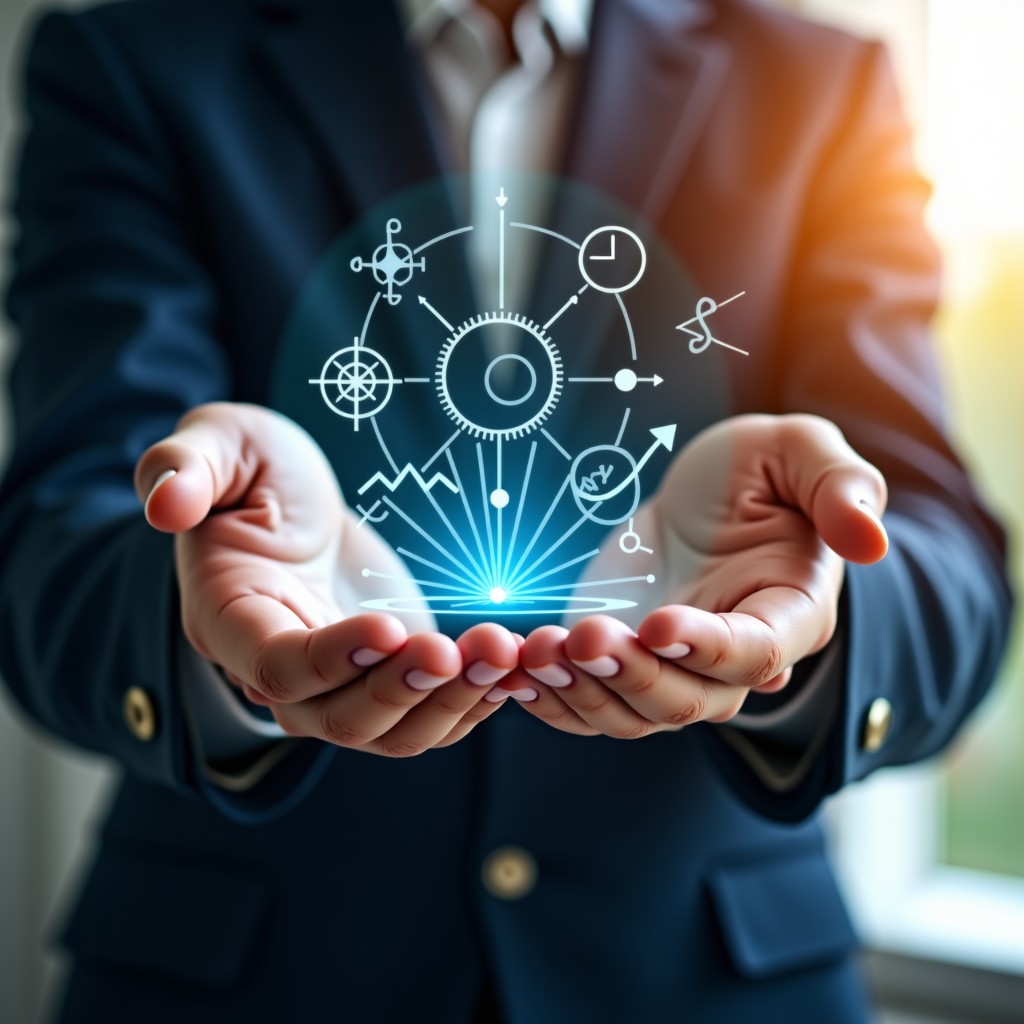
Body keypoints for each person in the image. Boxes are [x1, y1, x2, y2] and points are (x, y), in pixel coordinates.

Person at [0, 0, 1012, 1021]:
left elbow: (945, 567)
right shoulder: (136, 61)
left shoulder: (823, 85)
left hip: (704, 982)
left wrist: (816, 617)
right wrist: (202, 611)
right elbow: (56, 544)